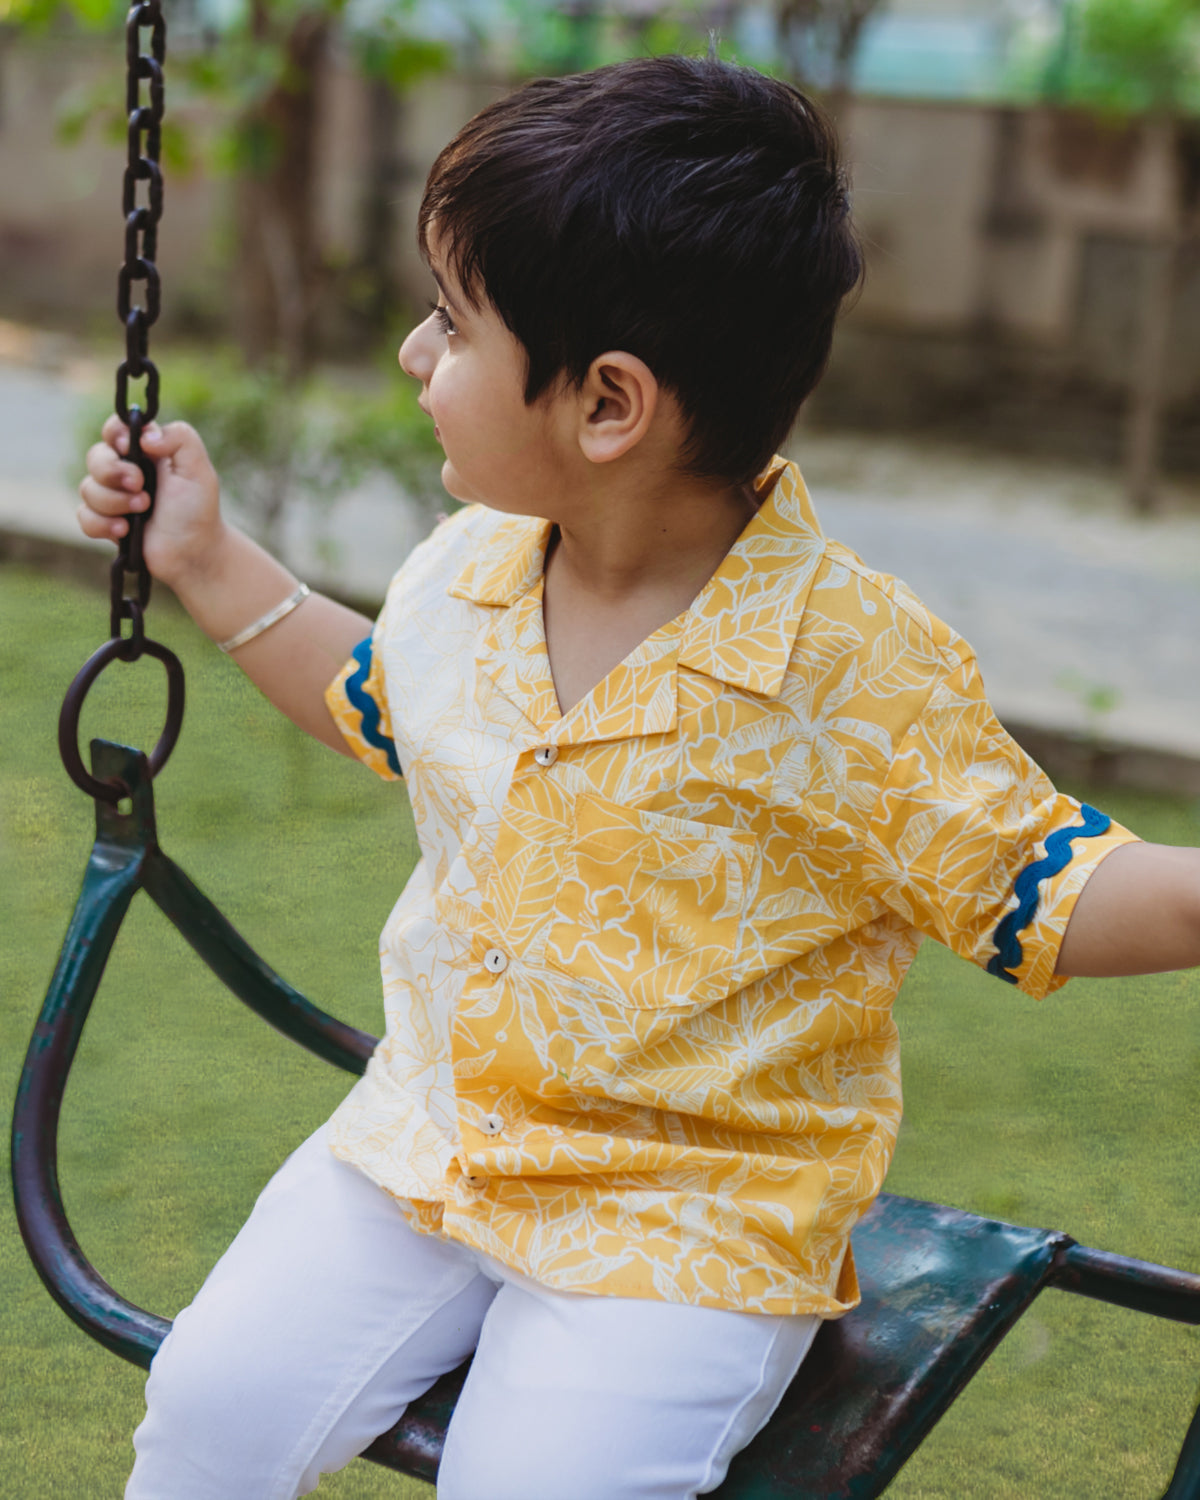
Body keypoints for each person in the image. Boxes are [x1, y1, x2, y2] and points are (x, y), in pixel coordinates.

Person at [77, 53, 1199, 1500]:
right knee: (208, 1414)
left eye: (452, 323)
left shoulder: (853, 669)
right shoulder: (472, 573)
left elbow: (1048, 885)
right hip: (433, 1144)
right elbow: (382, 700)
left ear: (608, 403)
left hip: (692, 1218)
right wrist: (208, 562)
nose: (416, 355)